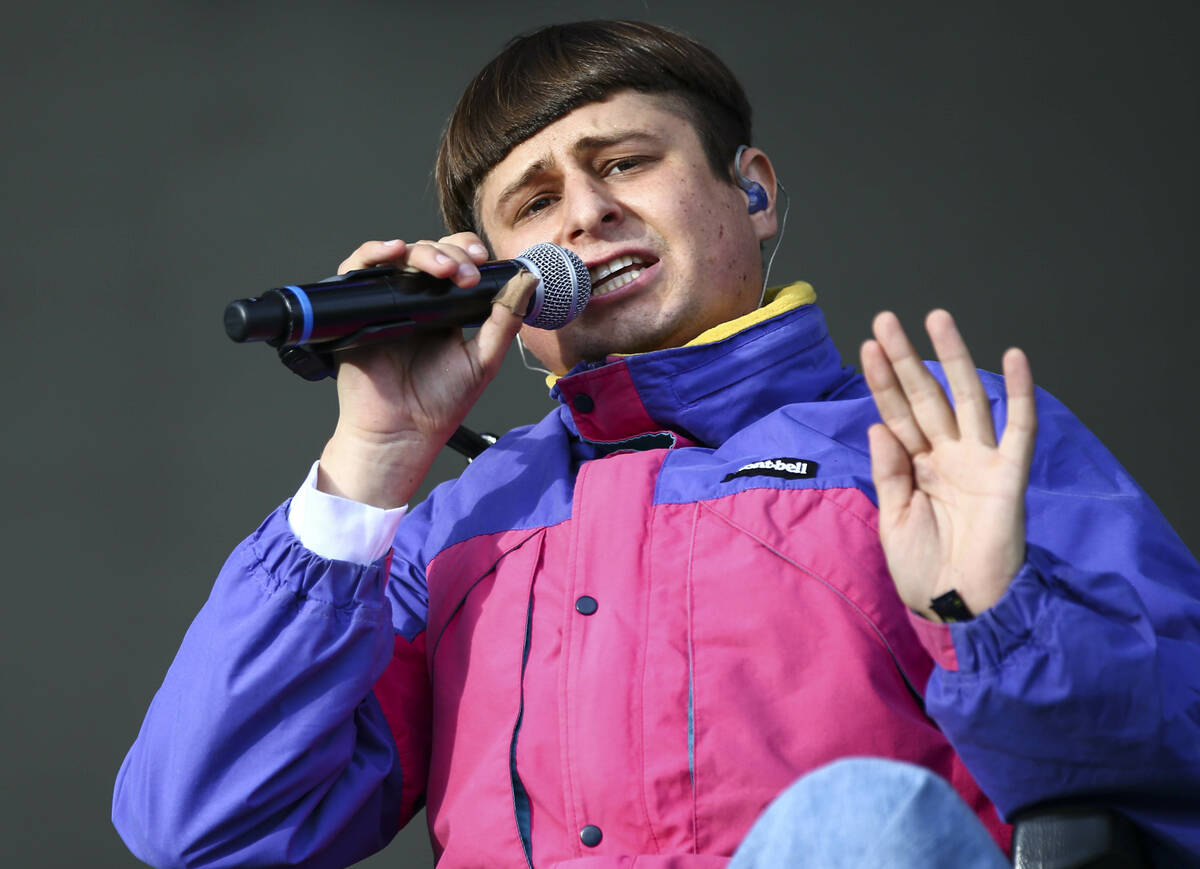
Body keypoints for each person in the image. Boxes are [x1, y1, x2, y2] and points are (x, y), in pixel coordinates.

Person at [113, 20, 1200, 868]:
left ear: (754, 190)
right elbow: (206, 832)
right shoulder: (454, 526)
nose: (582, 213)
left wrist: (994, 615)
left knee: (858, 815)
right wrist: (373, 457)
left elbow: (1166, 777)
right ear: (499, 280)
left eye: (624, 163)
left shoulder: (944, 441)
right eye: (533, 201)